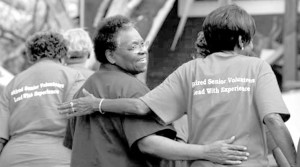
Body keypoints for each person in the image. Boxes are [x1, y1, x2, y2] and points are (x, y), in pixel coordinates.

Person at [59, 5, 296, 167]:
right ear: (243, 41)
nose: (142, 50)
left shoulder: (189, 71)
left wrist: (97, 104)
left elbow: (141, 107)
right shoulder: (257, 68)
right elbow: (273, 122)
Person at [0, 31, 85, 167]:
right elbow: (77, 123)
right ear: (63, 53)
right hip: (58, 157)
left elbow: (1, 135)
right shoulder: (73, 77)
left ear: (31, 55)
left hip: (13, 158)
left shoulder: (13, 83)